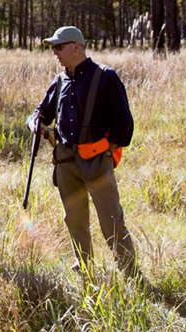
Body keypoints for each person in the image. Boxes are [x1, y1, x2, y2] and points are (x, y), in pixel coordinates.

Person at [30, 26, 137, 274]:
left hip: (96, 160)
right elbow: (41, 112)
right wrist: (34, 123)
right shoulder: (59, 80)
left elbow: (124, 126)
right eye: (53, 48)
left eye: (59, 47)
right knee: (74, 218)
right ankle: (84, 265)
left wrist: (105, 153)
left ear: (76, 46)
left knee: (111, 220)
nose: (55, 52)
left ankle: (129, 271)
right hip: (65, 161)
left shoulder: (105, 76)